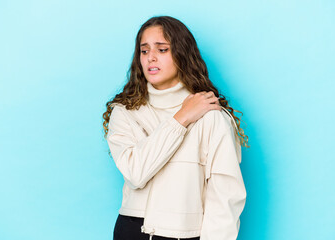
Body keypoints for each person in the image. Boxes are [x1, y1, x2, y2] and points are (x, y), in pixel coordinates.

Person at [103, 15, 249, 240]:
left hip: (185, 233)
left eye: (162, 50)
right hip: (132, 230)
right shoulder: (124, 112)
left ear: (182, 54)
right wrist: (181, 118)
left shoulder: (211, 116)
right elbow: (135, 173)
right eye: (144, 51)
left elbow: (225, 197)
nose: (151, 58)